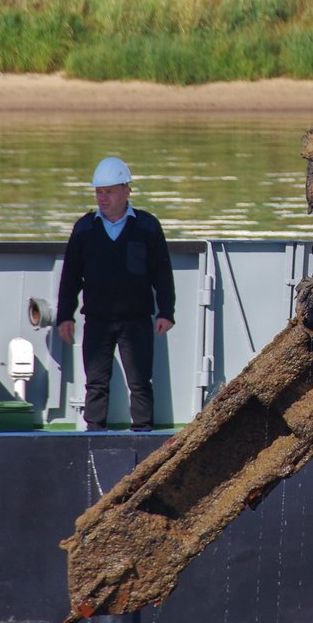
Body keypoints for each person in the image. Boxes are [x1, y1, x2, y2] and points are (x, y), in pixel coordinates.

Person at [55, 156, 177, 432]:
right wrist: (65, 315)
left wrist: (166, 311)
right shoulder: (85, 228)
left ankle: (142, 433)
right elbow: (71, 275)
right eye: (99, 192)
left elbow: (162, 272)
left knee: (140, 381)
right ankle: (94, 433)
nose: (103, 197)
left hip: (136, 319)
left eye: (109, 191)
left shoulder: (147, 226)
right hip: (98, 319)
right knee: (96, 381)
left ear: (126, 190)